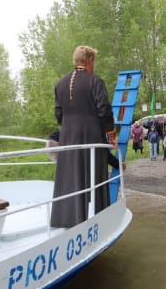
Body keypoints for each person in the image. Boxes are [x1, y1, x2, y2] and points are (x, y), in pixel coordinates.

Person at [50, 45, 117, 229]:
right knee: (94, 174)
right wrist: (111, 134)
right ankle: (97, 220)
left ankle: (66, 219)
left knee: (71, 174)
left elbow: (58, 115)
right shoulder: (95, 81)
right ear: (90, 61)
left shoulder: (60, 83)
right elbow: (104, 110)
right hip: (91, 133)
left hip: (68, 135)